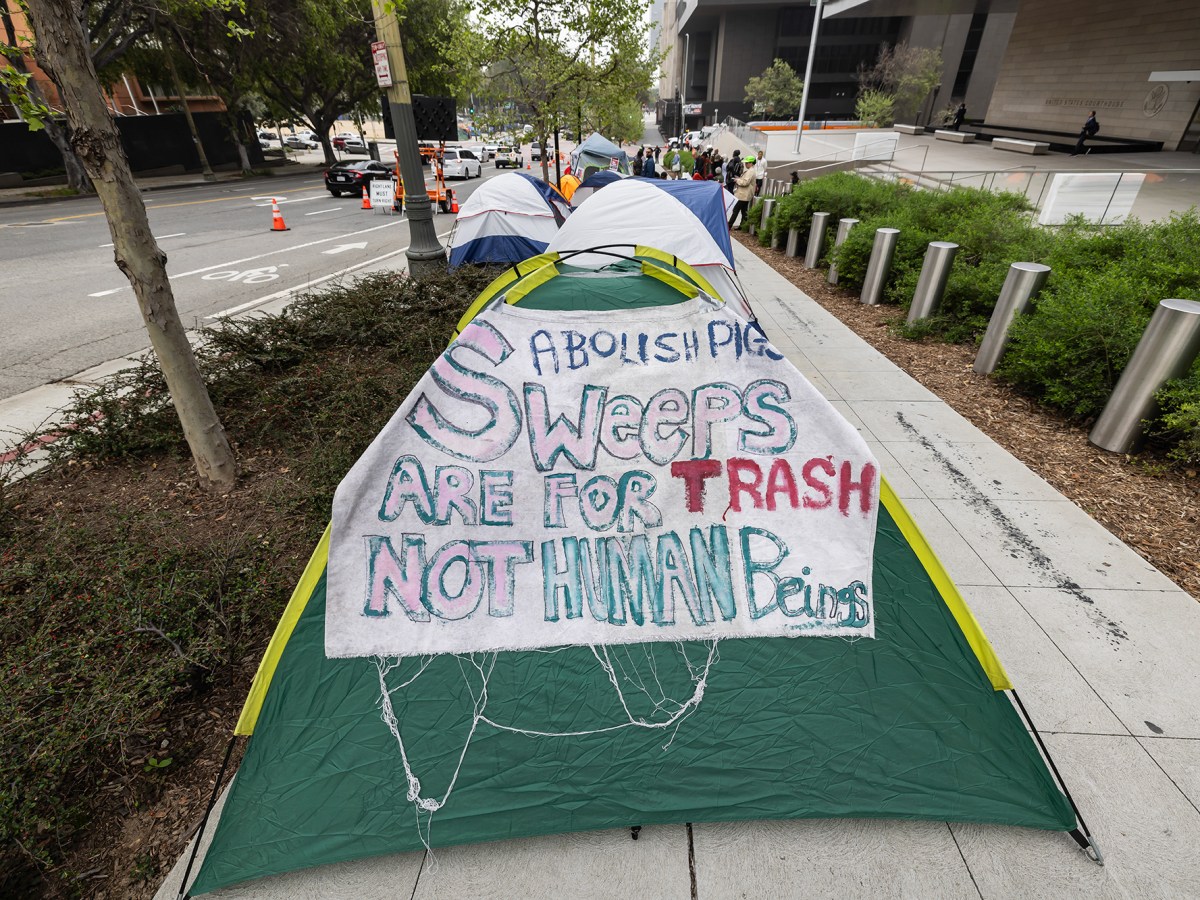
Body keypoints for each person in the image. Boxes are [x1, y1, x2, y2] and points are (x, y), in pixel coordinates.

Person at [728, 156, 756, 230]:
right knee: (744, 211)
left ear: (751, 163)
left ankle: (729, 225)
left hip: (743, 194)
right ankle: (742, 226)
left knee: (736, 210)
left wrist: (737, 180)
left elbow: (745, 182)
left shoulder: (751, 171)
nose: (745, 164)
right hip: (745, 194)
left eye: (747, 163)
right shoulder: (751, 170)